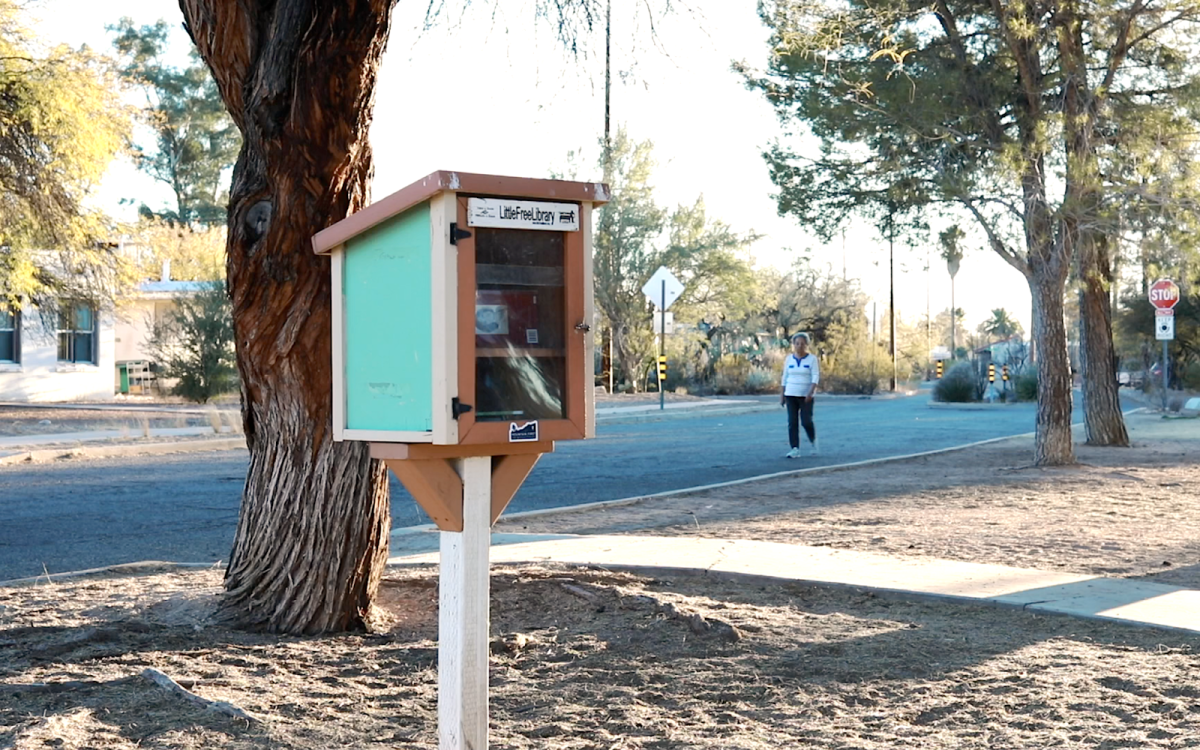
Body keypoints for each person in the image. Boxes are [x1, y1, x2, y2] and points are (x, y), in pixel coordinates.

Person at [780, 332, 819, 458]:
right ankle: (795, 448)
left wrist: (811, 392)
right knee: (792, 422)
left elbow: (815, 376)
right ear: (793, 345)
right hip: (791, 393)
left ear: (806, 345)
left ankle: (813, 441)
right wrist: (782, 395)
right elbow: (785, 377)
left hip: (806, 395)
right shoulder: (789, 359)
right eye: (797, 343)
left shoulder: (812, 359)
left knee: (806, 421)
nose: (800, 346)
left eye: (802, 344)